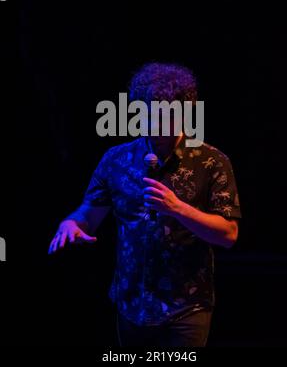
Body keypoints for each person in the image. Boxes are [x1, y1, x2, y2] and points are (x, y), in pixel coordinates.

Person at [48, 62, 241, 347]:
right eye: (151, 111)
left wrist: (177, 208)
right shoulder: (116, 160)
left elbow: (228, 235)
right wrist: (70, 224)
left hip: (187, 308)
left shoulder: (211, 162)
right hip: (132, 305)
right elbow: (88, 215)